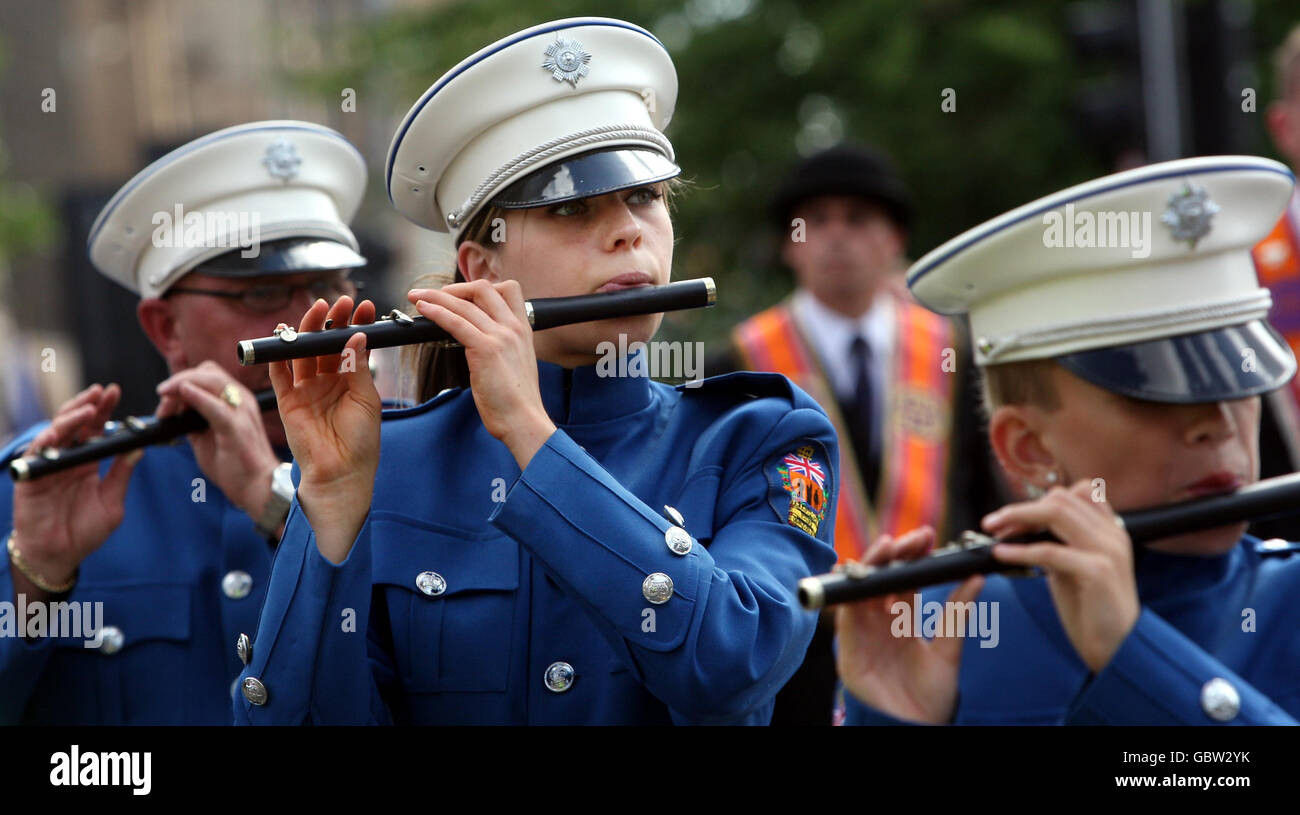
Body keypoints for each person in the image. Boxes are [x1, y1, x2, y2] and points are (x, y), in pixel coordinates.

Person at [234, 17, 838, 726]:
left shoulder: (759, 438)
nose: (627, 231)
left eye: (644, 196)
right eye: (571, 207)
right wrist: (329, 503)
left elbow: (732, 665)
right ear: (482, 268)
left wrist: (532, 433)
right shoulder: (387, 465)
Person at [839, 155, 1300, 725]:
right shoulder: (942, 629)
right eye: (1158, 392)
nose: (1220, 422)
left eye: (1238, 378)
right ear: (1027, 447)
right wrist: (893, 719)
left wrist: (1135, 657)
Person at [0, 120, 368, 724]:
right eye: (262, 295)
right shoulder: (43, 482)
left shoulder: (417, 466)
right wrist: (35, 580)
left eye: (330, 284)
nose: (312, 321)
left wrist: (282, 510)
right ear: (166, 328)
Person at [722, 145, 1005, 724]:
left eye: (857, 219)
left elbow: (984, 497)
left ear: (894, 239)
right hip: (791, 653)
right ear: (788, 244)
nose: (836, 237)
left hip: (932, 639)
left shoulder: (953, 355)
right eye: (816, 221)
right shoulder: (738, 363)